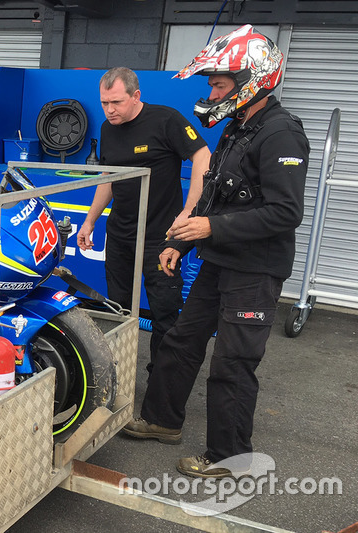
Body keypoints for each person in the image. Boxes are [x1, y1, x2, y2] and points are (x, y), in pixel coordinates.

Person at [122, 25, 310, 479]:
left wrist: (211, 226)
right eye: (211, 82)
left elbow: (286, 213)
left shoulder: (282, 134)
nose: (211, 90)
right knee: (182, 340)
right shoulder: (239, 128)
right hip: (220, 260)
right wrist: (178, 242)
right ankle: (162, 421)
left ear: (252, 80)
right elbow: (212, 195)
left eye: (219, 83)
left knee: (233, 363)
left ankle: (229, 458)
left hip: (256, 271)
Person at [76, 67, 210, 372]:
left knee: (164, 313)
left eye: (117, 103)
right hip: (121, 236)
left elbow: (203, 156)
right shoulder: (108, 128)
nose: (110, 110)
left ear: (136, 96)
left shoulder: (166, 120)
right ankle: (119, 374)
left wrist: (189, 211)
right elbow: (109, 177)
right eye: (104, 103)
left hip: (161, 239)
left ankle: (160, 384)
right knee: (118, 311)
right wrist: (90, 221)